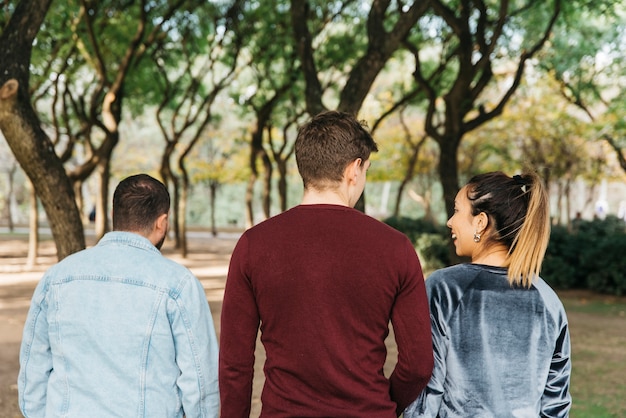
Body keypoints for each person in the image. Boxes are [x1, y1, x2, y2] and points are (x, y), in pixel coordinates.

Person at [219, 110, 433, 418]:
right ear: (353, 170)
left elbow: (235, 362)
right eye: (367, 169)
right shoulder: (395, 248)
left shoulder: (254, 245)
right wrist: (383, 404)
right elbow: (417, 365)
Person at [18, 174, 219, 418]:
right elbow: (200, 381)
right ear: (162, 222)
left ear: (114, 216)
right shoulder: (178, 284)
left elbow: (33, 372)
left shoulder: (56, 278)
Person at [404, 171, 572, 418]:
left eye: (457, 210)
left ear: (480, 222)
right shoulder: (548, 300)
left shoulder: (446, 288)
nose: (450, 221)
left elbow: (428, 389)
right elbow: (555, 406)